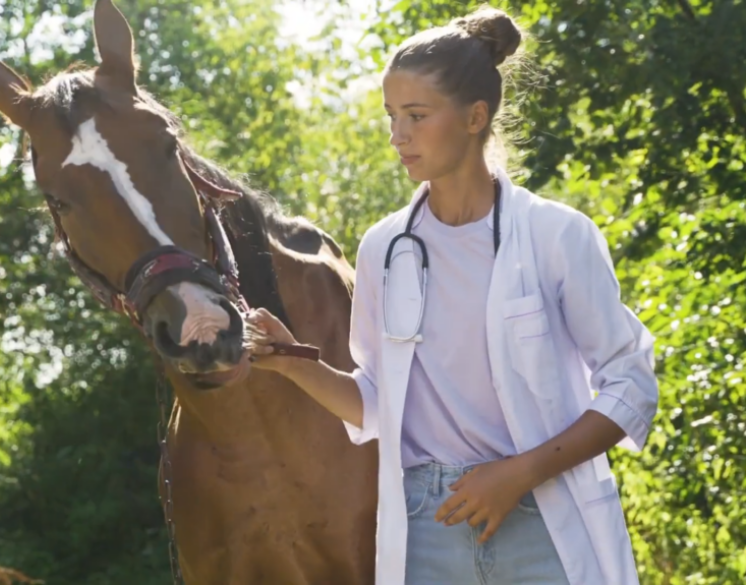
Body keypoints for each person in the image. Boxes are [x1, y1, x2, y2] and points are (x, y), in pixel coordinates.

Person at [244, 6, 659, 585]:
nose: (398, 136)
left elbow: (631, 383)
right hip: (426, 527)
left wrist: (518, 474)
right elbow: (377, 402)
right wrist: (291, 364)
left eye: (416, 115)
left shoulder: (555, 235)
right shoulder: (385, 248)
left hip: (543, 519)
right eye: (391, 117)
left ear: (475, 117)